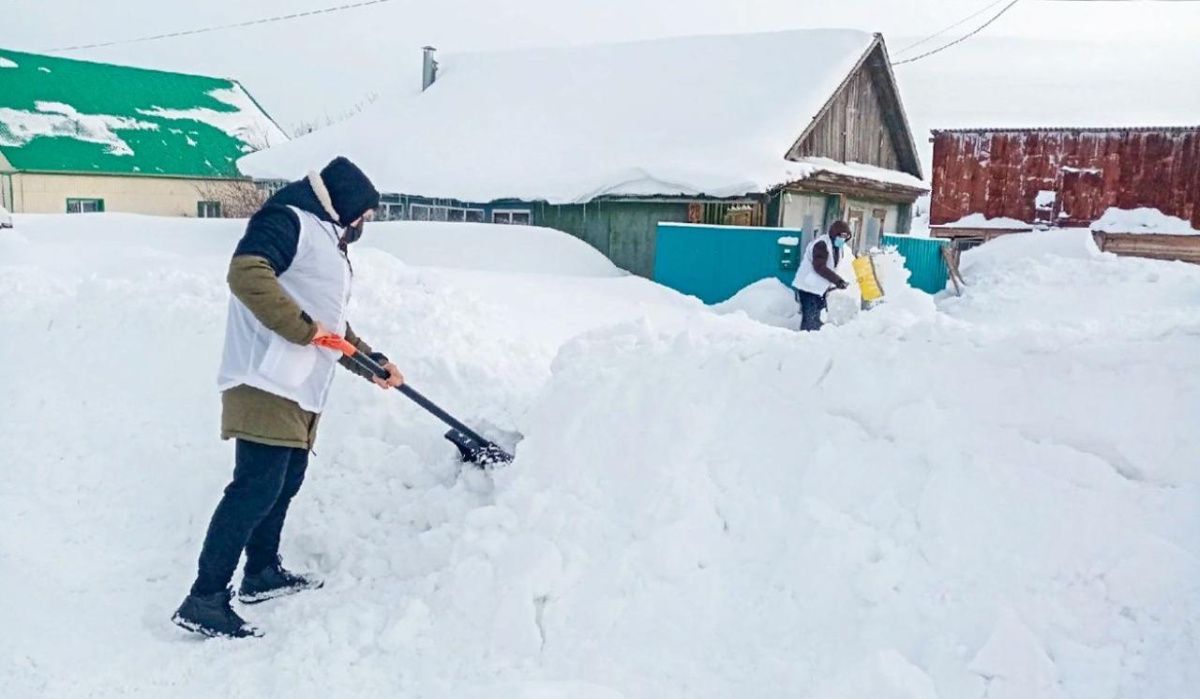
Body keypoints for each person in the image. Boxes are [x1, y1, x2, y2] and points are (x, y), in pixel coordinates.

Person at [172, 157, 404, 639]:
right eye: (362, 214)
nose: (363, 224)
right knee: (255, 486)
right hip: (265, 378)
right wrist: (302, 331)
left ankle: (261, 573)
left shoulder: (322, 236)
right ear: (342, 205)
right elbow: (246, 273)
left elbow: (329, 326)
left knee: (284, 480)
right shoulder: (288, 220)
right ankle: (205, 598)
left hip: (296, 386)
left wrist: (371, 362)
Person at [791, 221, 852, 332]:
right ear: (834, 234)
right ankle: (805, 342)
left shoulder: (837, 247)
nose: (843, 239)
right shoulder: (821, 244)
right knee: (810, 321)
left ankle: (814, 342)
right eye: (841, 236)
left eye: (846, 237)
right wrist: (837, 280)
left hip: (819, 289)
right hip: (808, 287)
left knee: (817, 319)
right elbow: (819, 267)